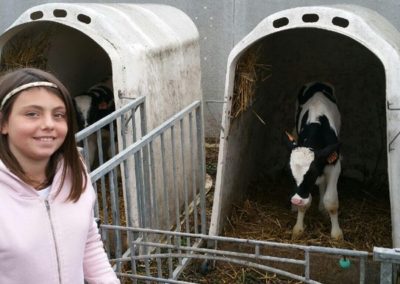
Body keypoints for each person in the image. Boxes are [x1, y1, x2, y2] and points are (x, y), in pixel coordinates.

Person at [0, 68, 120, 283]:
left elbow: (88, 241)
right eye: (32, 114)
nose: (48, 124)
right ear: (3, 123)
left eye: (58, 115)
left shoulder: (75, 173)